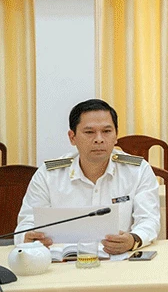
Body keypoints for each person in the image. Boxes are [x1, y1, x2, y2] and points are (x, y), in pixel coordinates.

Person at [14, 99, 160, 255]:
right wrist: (28, 238)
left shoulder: (137, 170)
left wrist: (133, 240)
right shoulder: (49, 174)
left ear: (116, 136)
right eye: (89, 132)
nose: (99, 139)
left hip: (120, 260)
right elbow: (27, 223)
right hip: (62, 262)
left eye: (107, 131)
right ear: (72, 137)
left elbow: (148, 220)